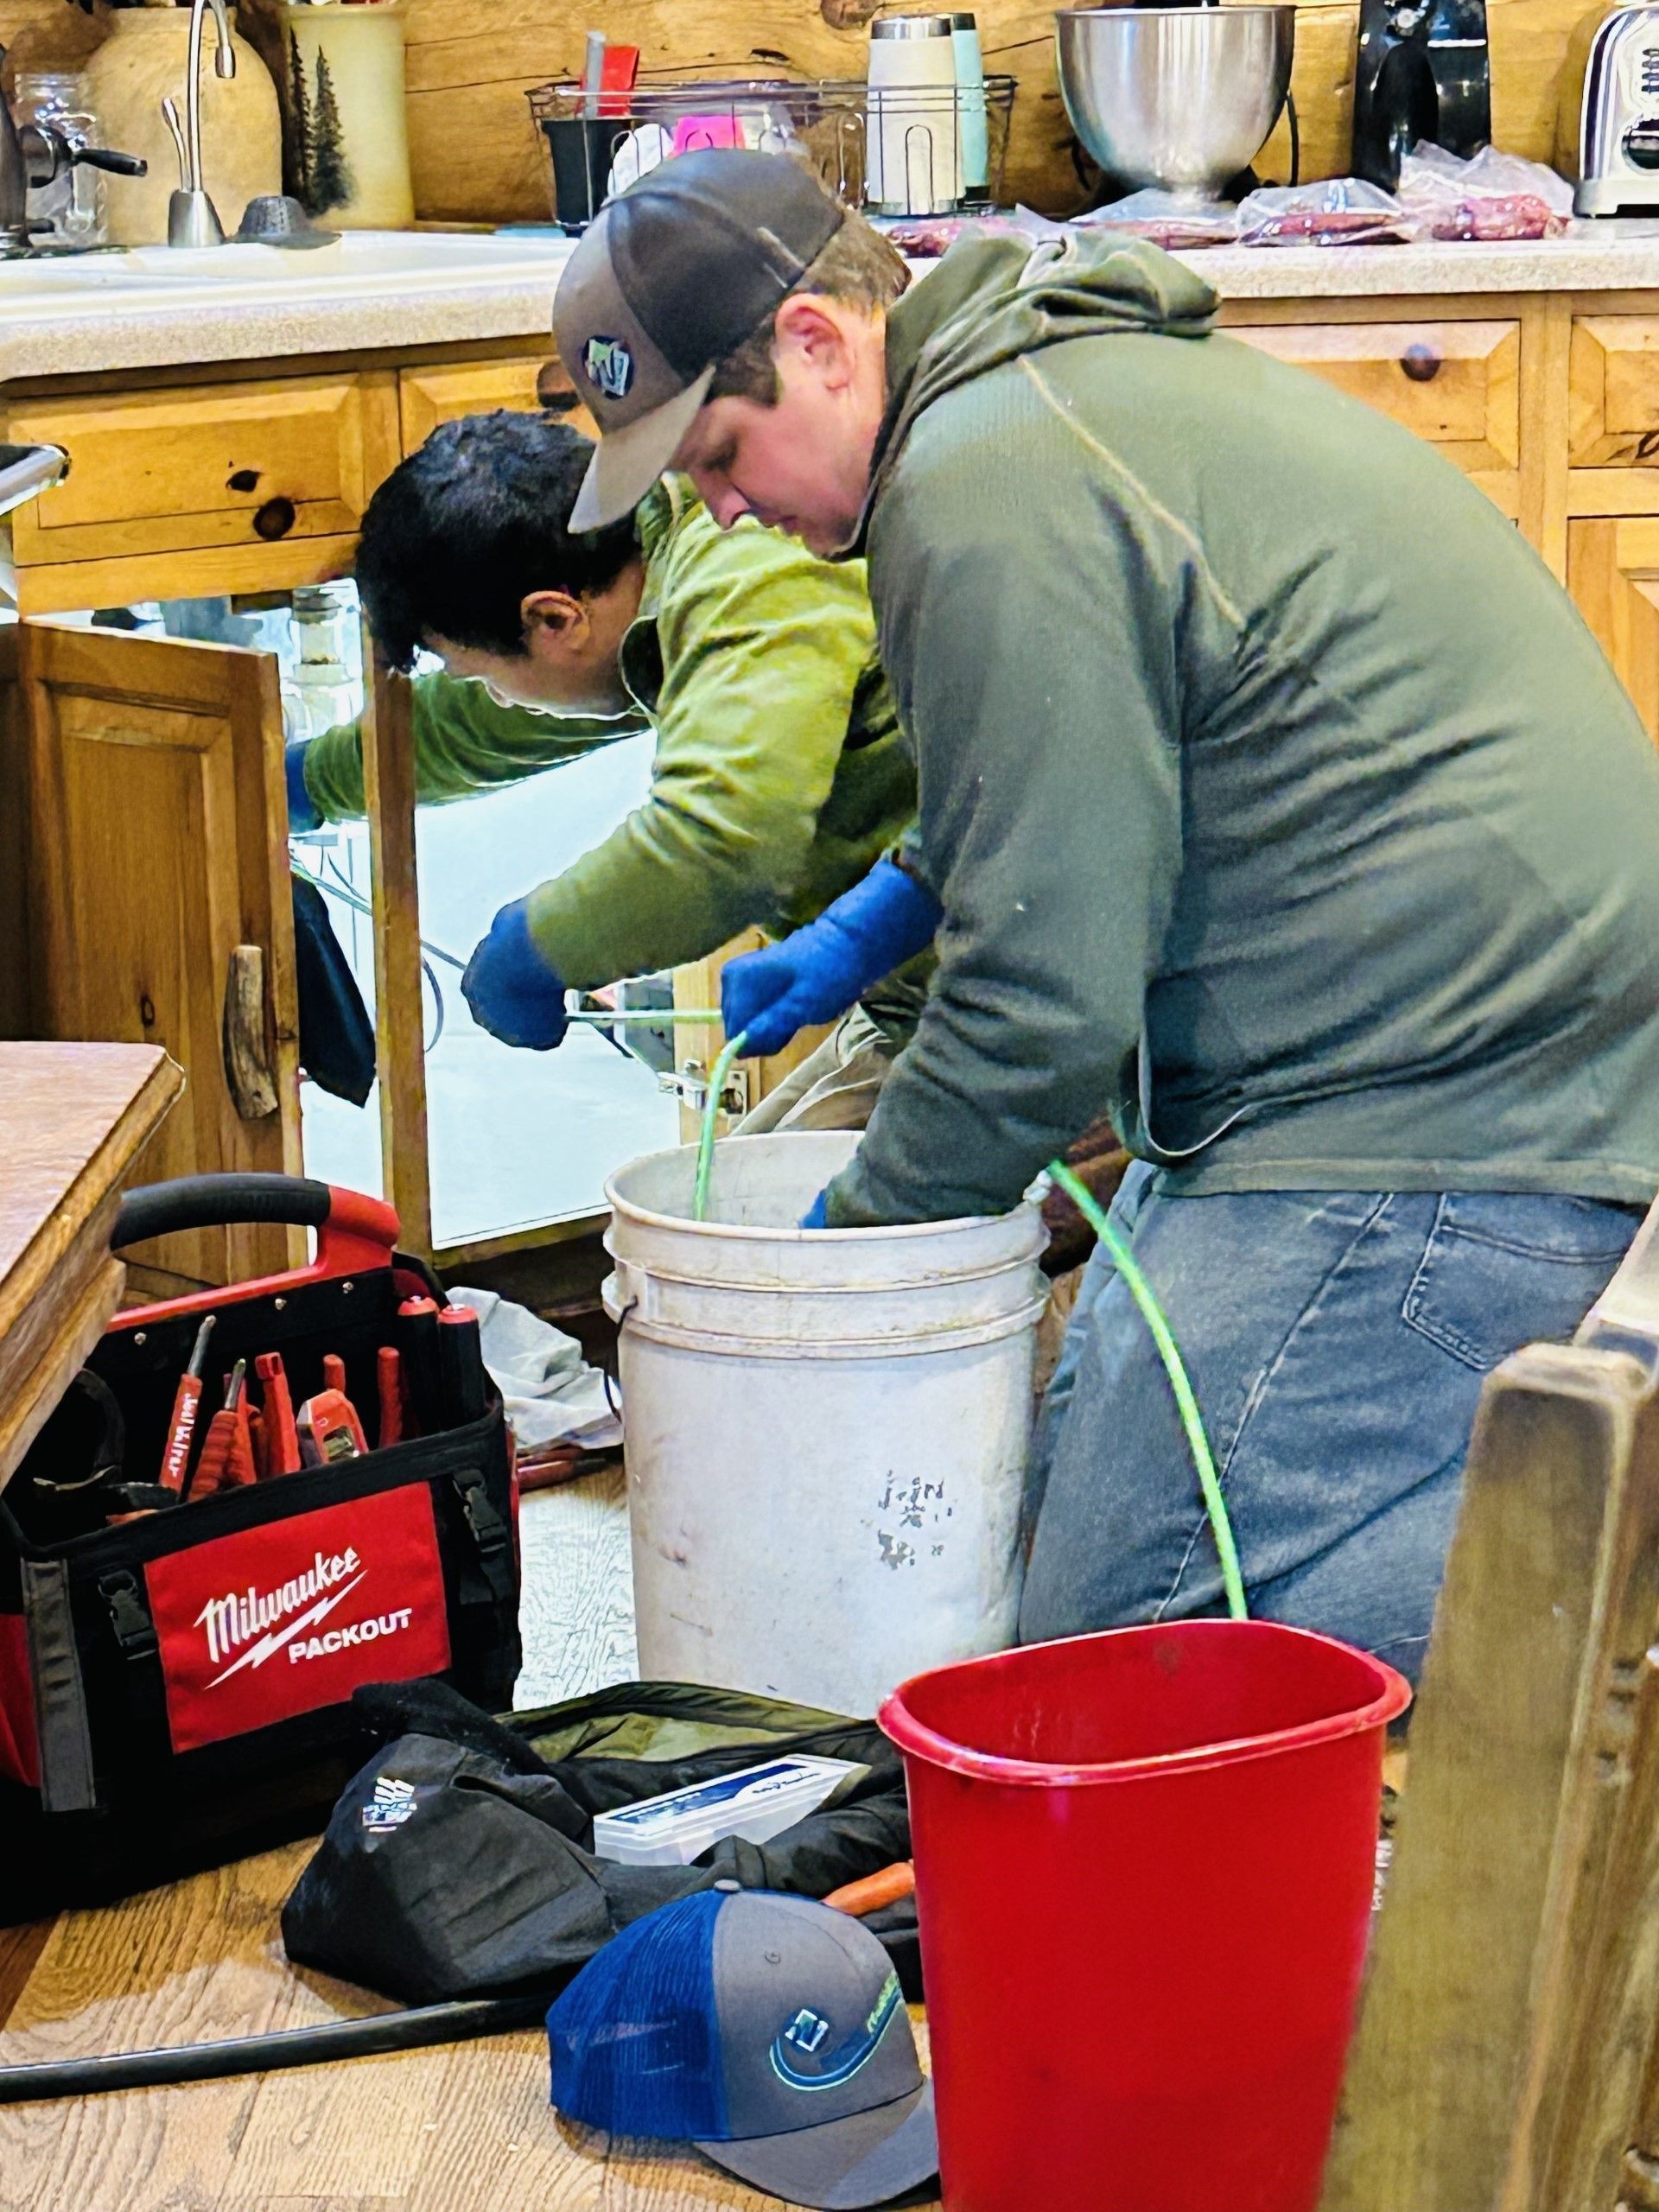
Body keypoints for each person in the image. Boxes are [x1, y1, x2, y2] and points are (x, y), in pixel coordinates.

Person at [551, 149, 1659, 1680]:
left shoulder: (984, 488)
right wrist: (874, 922)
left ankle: (1612, 1557)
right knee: (1053, 1539)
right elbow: (1074, 760)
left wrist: (847, 1250)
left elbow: (1038, 1011)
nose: (725, 511)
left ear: (818, 340)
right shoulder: (1026, 398)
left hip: (1463, 1103)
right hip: (1401, 1043)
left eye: (722, 456)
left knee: (1120, 1653)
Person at [284, 408, 923, 1131]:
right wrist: (308, 781)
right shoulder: (632, 558)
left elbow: (726, 839)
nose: (489, 695)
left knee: (747, 1236)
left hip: (1036, 996)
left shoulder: (749, 571)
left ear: (555, 620)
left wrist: (541, 947)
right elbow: (489, 722)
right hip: (921, 997)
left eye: (479, 673)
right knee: (716, 1216)